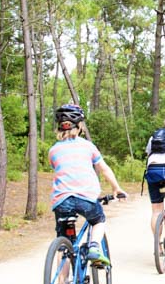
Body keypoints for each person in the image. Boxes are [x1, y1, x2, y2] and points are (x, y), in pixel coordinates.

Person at [49, 104, 127, 267]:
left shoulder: (53, 151)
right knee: (98, 220)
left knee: (64, 247)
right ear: (78, 128)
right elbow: (104, 169)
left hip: (62, 201)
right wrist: (116, 188)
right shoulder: (88, 146)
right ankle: (94, 247)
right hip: (86, 198)